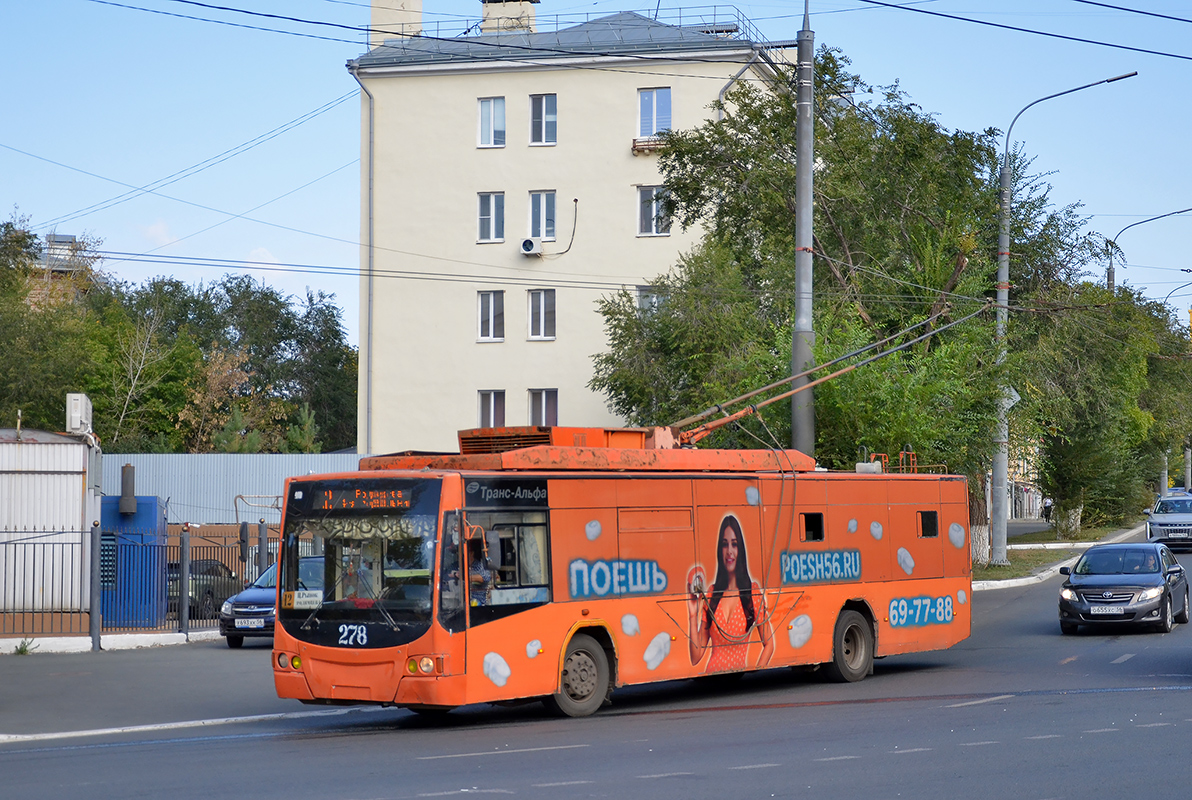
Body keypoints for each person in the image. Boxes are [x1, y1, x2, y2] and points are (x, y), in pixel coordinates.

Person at [686, 514, 775, 671]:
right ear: (719, 550)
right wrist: (693, 615)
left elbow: (769, 644)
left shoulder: (752, 592)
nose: (729, 551)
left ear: (740, 549)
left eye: (734, 544)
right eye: (724, 545)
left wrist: (756, 673)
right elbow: (695, 656)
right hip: (712, 678)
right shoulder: (712, 594)